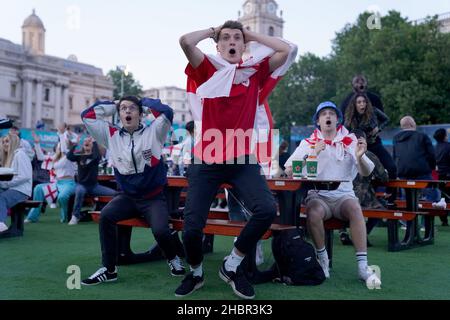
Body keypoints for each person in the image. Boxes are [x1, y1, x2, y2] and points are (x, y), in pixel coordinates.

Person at [177, 20, 297, 299]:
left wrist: (249, 34)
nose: (232, 42)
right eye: (226, 39)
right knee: (192, 228)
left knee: (266, 210)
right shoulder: (207, 69)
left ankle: (231, 265)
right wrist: (211, 31)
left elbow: (286, 49)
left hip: (242, 159)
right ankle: (195, 273)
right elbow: (185, 42)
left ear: (244, 46)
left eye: (237, 39)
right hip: (206, 159)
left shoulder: (253, 72)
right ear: (218, 46)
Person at [80, 96, 185, 286]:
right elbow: (87, 115)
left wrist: (142, 101)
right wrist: (114, 106)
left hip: (153, 198)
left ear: (140, 112)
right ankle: (109, 269)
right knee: (106, 216)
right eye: (124, 109)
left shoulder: (154, 132)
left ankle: (172, 257)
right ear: (118, 114)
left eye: (132, 109)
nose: (127, 111)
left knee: (161, 231)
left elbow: (167, 112)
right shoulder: (109, 134)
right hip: (127, 197)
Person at [285, 101, 381, 285]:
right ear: (318, 121)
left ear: (337, 119)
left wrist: (360, 157)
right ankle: (323, 261)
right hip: (318, 196)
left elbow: (367, 172)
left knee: (355, 207)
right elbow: (289, 170)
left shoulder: (350, 140)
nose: (328, 116)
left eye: (331, 113)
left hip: (344, 196)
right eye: (323, 114)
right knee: (313, 211)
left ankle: (362, 267)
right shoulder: (308, 143)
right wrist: (312, 152)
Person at [344, 93, 397, 203]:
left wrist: (379, 128)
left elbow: (386, 119)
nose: (362, 104)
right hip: (361, 149)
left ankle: (390, 195)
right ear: (355, 105)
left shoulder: (373, 111)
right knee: (365, 174)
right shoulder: (350, 117)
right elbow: (345, 132)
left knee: (392, 167)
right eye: (359, 102)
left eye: (364, 102)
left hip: (375, 144)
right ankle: (370, 199)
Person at [66, 136, 117, 225]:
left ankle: (112, 214)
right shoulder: (79, 156)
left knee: (114, 194)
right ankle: (75, 216)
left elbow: (97, 154)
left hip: (94, 186)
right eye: (85, 142)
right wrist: (75, 145)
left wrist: (94, 141)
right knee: (79, 191)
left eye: (89, 142)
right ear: (83, 145)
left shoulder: (95, 156)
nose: (87, 143)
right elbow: (69, 156)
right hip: (81, 185)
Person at [393, 116, 443, 207]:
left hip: (403, 172)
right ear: (413, 124)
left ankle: (407, 220)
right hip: (421, 171)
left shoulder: (396, 138)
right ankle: (428, 219)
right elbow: (431, 154)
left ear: (402, 126)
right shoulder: (422, 136)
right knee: (434, 198)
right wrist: (432, 167)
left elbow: (395, 156)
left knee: (406, 202)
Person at [25, 140, 77, 223]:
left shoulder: (71, 157)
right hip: (57, 183)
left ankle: (65, 217)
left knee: (62, 197)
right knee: (38, 188)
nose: (61, 149)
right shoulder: (55, 158)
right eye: (59, 148)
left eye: (62, 147)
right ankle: (32, 217)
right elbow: (40, 157)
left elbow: (65, 158)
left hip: (69, 183)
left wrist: (63, 136)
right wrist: (37, 143)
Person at [0, 134, 32, 233]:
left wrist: (5, 184)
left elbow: (25, 176)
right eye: (3, 142)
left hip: (21, 190)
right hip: (12, 188)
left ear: (14, 142)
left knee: (1, 198)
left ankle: (0, 223)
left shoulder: (20, 154)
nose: (5, 144)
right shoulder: (9, 156)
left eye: (7, 141)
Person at [433, 128, 450, 225]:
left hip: (438, 177)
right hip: (448, 176)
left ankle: (444, 220)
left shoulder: (434, 148)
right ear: (444, 136)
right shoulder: (448, 146)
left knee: (442, 198)